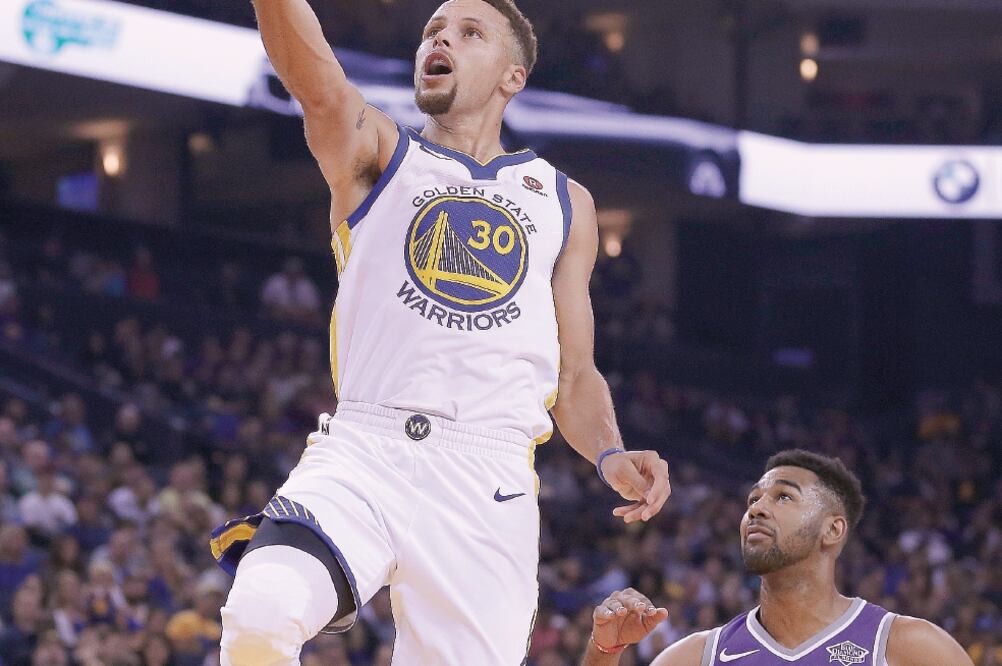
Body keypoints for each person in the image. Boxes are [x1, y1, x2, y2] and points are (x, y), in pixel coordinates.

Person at [210, 1, 672, 664]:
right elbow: (319, 88)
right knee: (260, 614)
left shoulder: (564, 201)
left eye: (468, 32)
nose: (442, 38)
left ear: (512, 76)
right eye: (434, 30)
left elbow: (574, 377)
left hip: (488, 481)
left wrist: (610, 454)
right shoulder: (380, 152)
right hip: (366, 449)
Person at [581, 450, 975, 666]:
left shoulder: (907, 647)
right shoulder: (697, 657)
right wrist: (603, 653)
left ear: (832, 530)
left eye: (783, 496)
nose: (757, 508)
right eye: (753, 499)